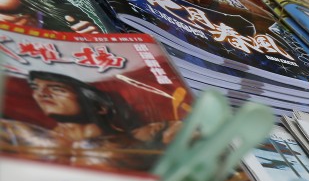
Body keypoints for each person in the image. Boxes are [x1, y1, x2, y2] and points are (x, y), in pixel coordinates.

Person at [0, 70, 181, 172]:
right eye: (36, 88)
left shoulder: (150, 135)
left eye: (57, 88)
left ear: (100, 106)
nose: (42, 94)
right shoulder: (16, 133)